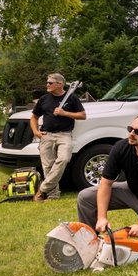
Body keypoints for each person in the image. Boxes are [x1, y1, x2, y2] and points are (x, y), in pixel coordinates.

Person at [76, 113, 138, 254]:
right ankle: (89, 242)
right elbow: (105, 184)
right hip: (131, 191)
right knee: (86, 197)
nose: (131, 134)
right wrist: (102, 217)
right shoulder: (120, 147)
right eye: (130, 129)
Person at [30, 73, 86, 201]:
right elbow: (34, 117)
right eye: (47, 82)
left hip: (64, 135)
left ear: (60, 84)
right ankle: (53, 195)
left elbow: (83, 115)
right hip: (46, 135)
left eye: (50, 83)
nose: (47, 85)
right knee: (48, 166)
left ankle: (42, 189)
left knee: (64, 159)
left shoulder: (72, 98)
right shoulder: (44, 99)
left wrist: (64, 113)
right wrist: (35, 132)